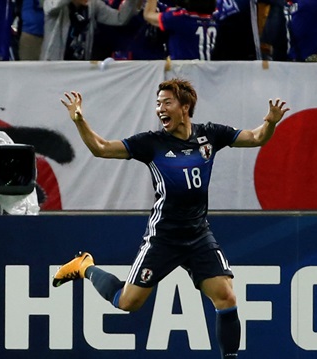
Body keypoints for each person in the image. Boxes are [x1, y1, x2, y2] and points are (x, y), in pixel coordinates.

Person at [52, 78, 289, 358]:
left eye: (166, 102)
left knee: (226, 296)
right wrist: (79, 120)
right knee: (128, 303)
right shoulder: (151, 143)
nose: (159, 109)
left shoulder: (210, 135)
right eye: (157, 103)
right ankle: (84, 266)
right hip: (163, 237)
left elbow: (256, 137)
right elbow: (101, 148)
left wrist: (271, 122)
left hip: (198, 234)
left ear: (185, 107)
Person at [41, 0, 142, 60]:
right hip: (54, 66)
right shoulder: (54, 4)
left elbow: (120, 19)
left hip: (80, 67)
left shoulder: (93, 5)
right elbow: (52, 7)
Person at [143, 0, 217, 60]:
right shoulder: (214, 20)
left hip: (184, 72)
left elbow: (149, 15)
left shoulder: (181, 19)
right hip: (206, 72)